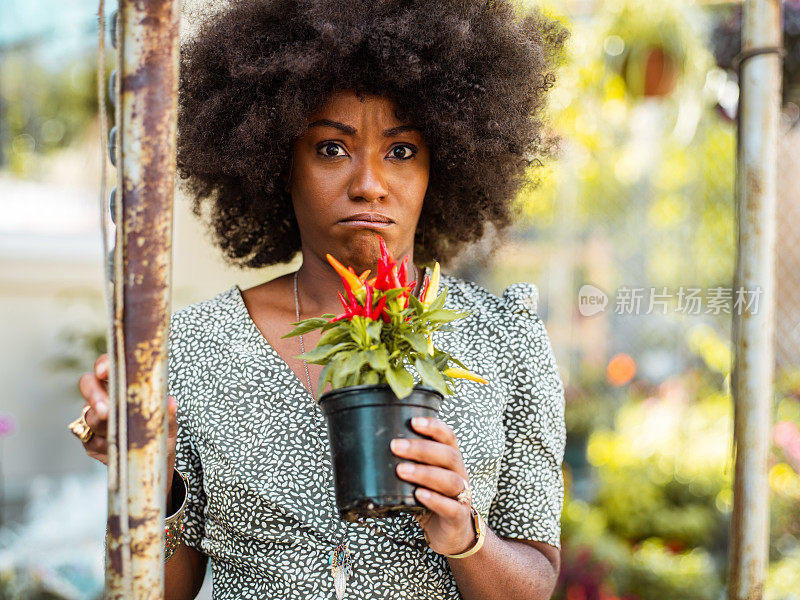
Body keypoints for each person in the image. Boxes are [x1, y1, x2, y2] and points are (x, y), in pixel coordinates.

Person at [74, 1, 568, 598]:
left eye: (402, 150)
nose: (368, 183)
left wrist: (465, 533)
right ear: (282, 163)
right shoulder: (195, 346)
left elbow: (536, 584)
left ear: (444, 165)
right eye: (331, 148)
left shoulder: (504, 340)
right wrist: (152, 482)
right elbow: (157, 590)